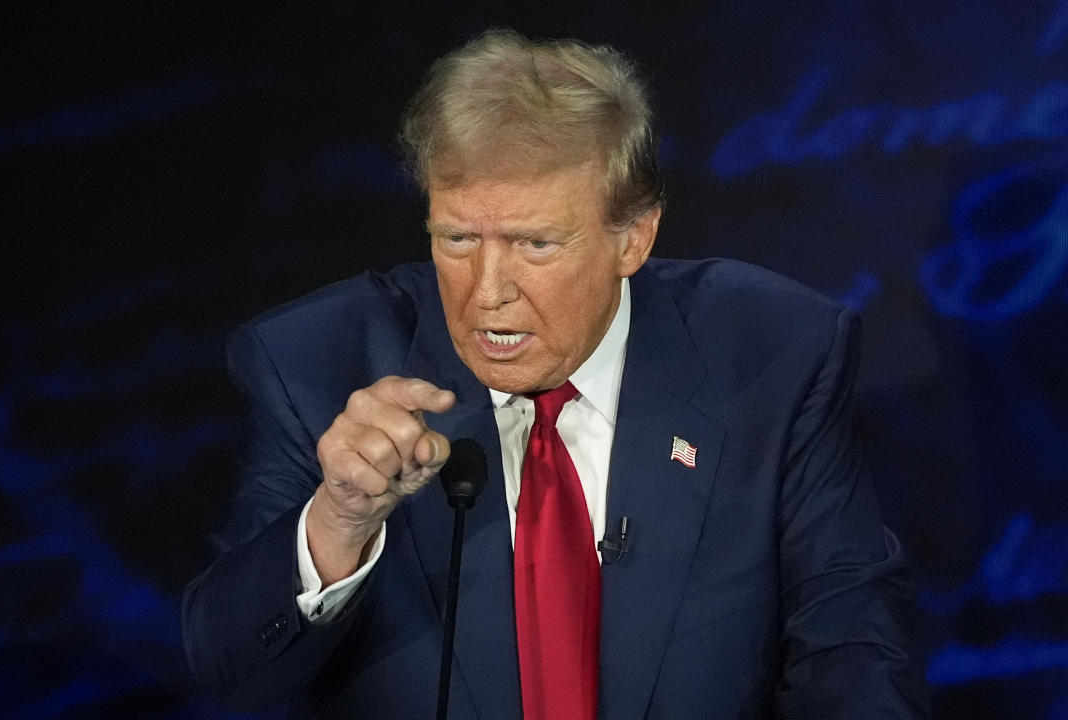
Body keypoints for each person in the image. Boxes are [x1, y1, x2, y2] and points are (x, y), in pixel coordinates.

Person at [182, 29, 930, 719]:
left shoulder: (774, 354)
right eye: (457, 239)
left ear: (633, 238)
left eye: (536, 244)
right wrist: (340, 518)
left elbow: (854, 649)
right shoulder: (317, 365)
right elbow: (227, 669)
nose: (487, 290)